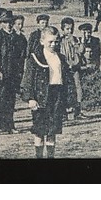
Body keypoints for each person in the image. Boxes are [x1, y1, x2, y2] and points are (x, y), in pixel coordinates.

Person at [21, 25, 68, 158]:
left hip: (57, 94)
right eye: (50, 42)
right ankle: (39, 156)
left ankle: (50, 156)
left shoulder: (60, 57)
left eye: (56, 41)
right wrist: (30, 98)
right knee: (40, 130)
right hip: (41, 97)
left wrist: (69, 99)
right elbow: (28, 79)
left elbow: (66, 79)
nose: (53, 44)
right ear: (42, 41)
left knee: (52, 130)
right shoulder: (35, 58)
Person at [74, 21, 101, 116]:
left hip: (92, 65)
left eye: (89, 32)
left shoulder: (96, 40)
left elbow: (98, 55)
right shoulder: (78, 41)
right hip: (82, 66)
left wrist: (97, 67)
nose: (87, 34)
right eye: (85, 32)